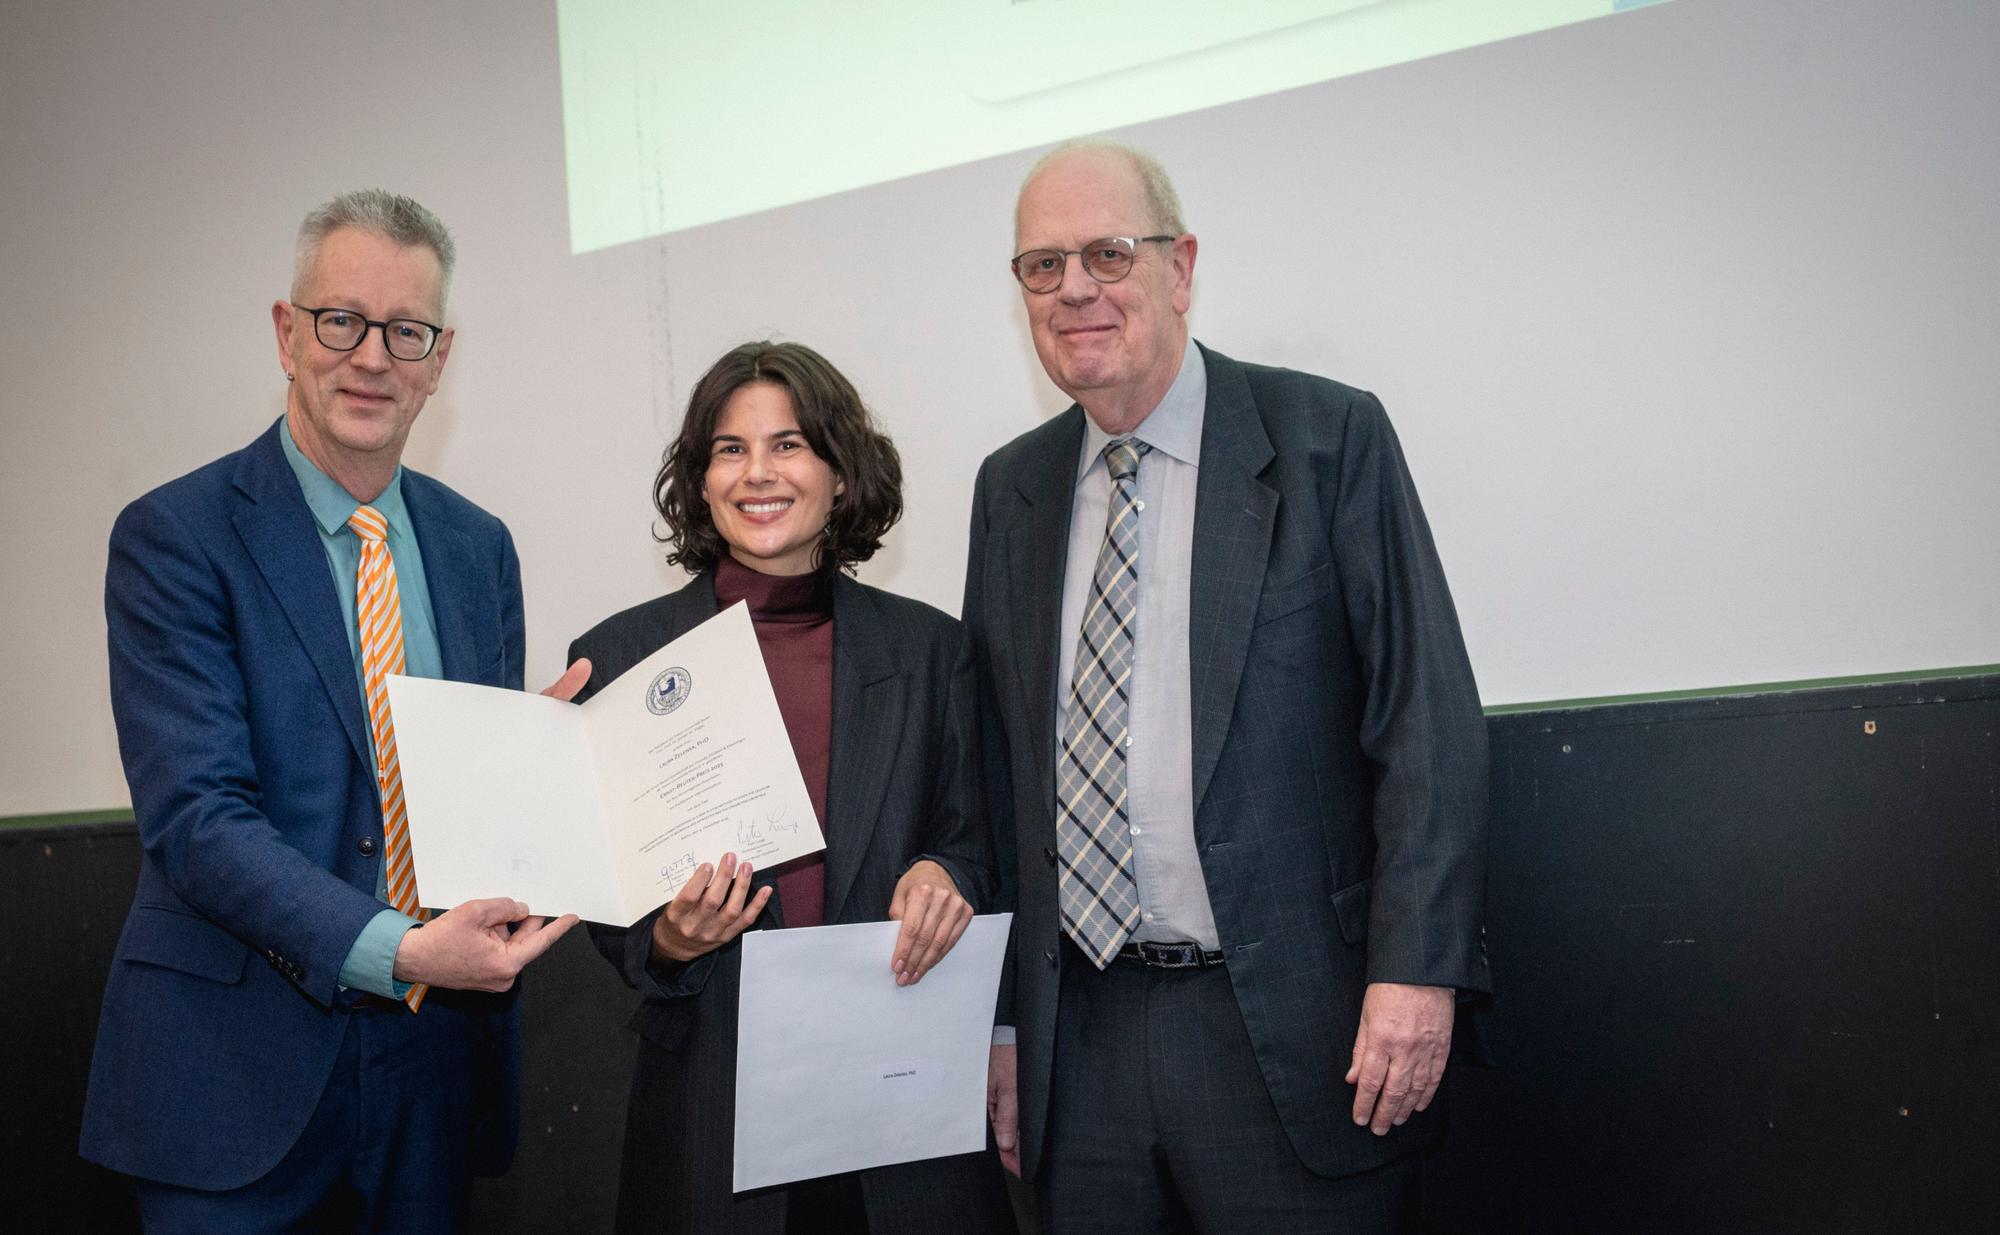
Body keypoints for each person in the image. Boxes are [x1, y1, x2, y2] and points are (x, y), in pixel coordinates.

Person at [965, 141, 1491, 1231]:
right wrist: (1004, 1025)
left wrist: (1414, 972)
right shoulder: (1008, 491)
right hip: (1082, 1045)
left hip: (1293, 1034)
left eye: (1107, 253)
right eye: (1041, 265)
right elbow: (993, 772)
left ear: (1181, 265)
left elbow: (1424, 726)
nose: (1074, 289)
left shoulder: (1324, 440)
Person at [79, 189, 580, 1232]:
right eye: (340, 320)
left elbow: (473, 805)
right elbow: (198, 820)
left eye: (406, 330)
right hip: (231, 1077)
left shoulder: (475, 546)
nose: (371, 357)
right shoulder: (177, 536)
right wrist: (397, 945)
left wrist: (537, 771)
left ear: (439, 358)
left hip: (432, 1069)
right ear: (285, 332)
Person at [571, 341, 1014, 1234]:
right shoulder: (621, 655)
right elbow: (605, 905)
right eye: (729, 449)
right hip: (710, 1109)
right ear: (699, 480)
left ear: (842, 474)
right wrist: (669, 936)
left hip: (902, 1107)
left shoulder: (932, 651)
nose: (757, 472)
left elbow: (975, 838)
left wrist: (944, 873)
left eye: (790, 444)